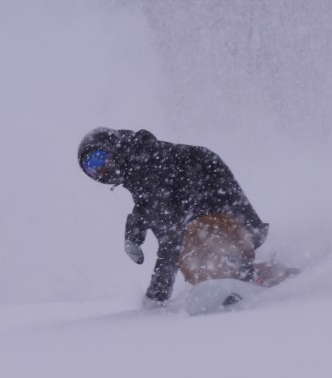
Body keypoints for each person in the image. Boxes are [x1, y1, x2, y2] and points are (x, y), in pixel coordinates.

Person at [78, 127, 293, 307]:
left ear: (115, 149)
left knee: (195, 247)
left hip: (212, 195)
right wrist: (134, 231)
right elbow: (148, 207)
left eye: (100, 158)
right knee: (194, 256)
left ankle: (244, 277)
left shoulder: (145, 163)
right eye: (91, 168)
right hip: (210, 203)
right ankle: (263, 274)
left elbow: (169, 233)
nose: (101, 170)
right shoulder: (138, 168)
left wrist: (157, 294)